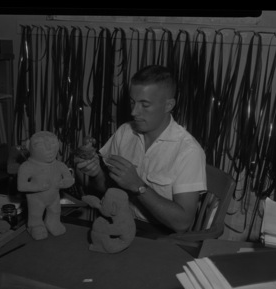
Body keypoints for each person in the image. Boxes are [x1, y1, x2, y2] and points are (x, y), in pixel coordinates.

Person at [75, 65, 207, 238]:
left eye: (145, 104)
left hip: (161, 237)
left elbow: (182, 223)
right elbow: (106, 188)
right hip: (118, 222)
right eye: (132, 102)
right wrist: (95, 173)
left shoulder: (188, 151)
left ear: (169, 105)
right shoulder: (125, 132)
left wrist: (138, 186)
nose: (133, 112)